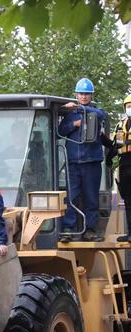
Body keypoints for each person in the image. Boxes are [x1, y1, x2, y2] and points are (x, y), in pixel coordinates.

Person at [58, 78, 107, 242]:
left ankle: (90, 230)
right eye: (81, 94)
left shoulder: (96, 111)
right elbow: (61, 130)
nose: (84, 96)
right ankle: (69, 229)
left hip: (92, 162)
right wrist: (74, 124)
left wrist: (79, 108)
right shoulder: (69, 114)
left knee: (91, 198)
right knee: (71, 196)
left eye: (87, 94)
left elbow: (102, 115)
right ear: (76, 94)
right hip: (73, 163)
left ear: (91, 96)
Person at [110, 94, 131, 242]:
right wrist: (109, 157)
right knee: (128, 201)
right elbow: (116, 145)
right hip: (125, 164)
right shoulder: (120, 125)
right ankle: (130, 234)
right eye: (128, 106)